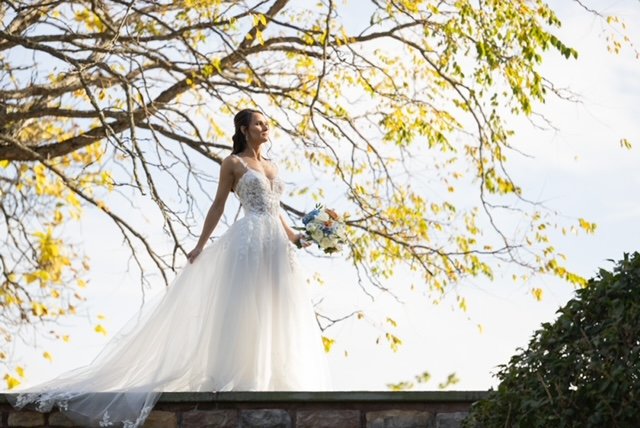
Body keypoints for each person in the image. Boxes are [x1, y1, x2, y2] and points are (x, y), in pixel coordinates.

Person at [7, 108, 332, 427]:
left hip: (275, 245)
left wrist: (299, 237)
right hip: (249, 239)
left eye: (267, 123)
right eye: (259, 123)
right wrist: (200, 245)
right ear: (244, 130)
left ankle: (273, 376)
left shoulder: (273, 166)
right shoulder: (232, 163)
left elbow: (276, 211)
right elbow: (218, 205)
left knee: (278, 306)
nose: (266, 128)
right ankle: (245, 376)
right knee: (247, 306)